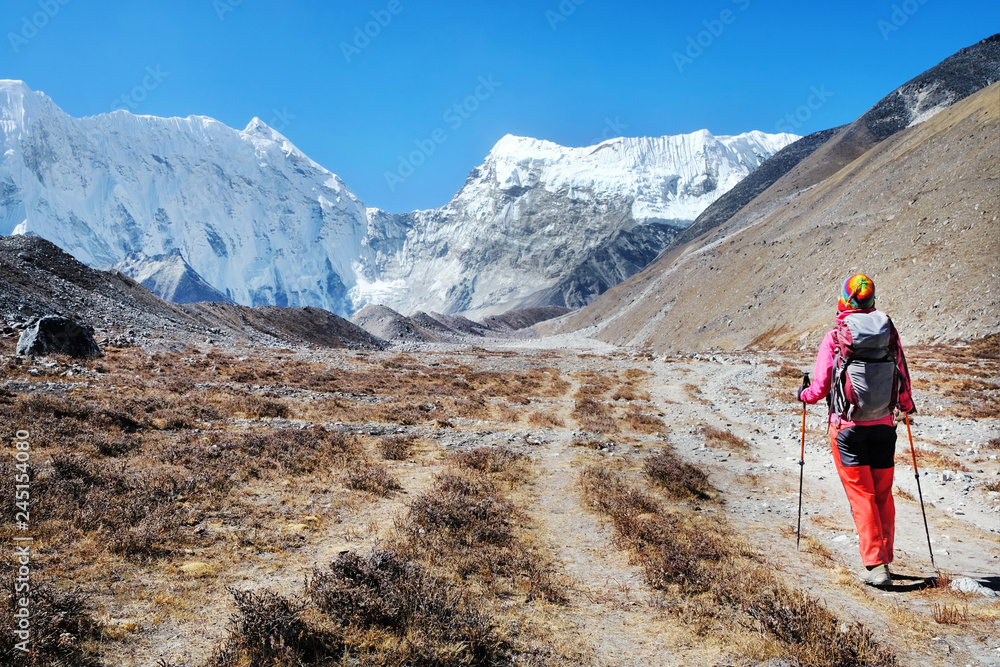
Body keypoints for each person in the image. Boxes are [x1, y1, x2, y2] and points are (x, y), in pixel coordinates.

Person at [797, 274, 915, 587]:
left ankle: (875, 566)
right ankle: (884, 560)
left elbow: (820, 386)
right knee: (882, 495)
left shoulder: (835, 336)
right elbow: (901, 371)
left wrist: (803, 395)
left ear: (845, 299)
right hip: (884, 425)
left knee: (862, 497)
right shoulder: (888, 331)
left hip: (847, 428)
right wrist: (905, 405)